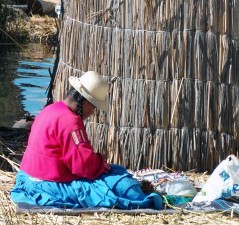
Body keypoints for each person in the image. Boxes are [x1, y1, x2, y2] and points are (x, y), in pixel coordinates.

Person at [10, 71, 163, 210]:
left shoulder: (51, 109)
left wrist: (103, 166)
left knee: (117, 170)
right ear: (85, 101)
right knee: (124, 184)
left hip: (28, 177)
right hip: (45, 184)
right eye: (94, 107)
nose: (93, 112)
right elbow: (83, 167)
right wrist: (101, 164)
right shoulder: (70, 122)